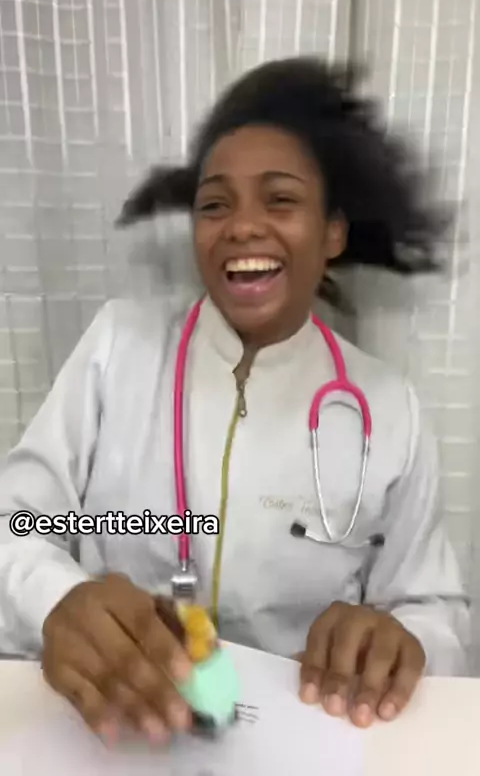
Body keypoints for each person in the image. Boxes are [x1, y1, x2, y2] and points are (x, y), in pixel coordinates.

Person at [0, 58, 470, 746]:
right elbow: (14, 524)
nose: (242, 226)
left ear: (333, 233)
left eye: (279, 200)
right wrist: (57, 599)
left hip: (298, 736)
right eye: (215, 205)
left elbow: (436, 610)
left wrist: (404, 639)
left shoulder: (388, 408)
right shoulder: (117, 347)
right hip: (118, 728)